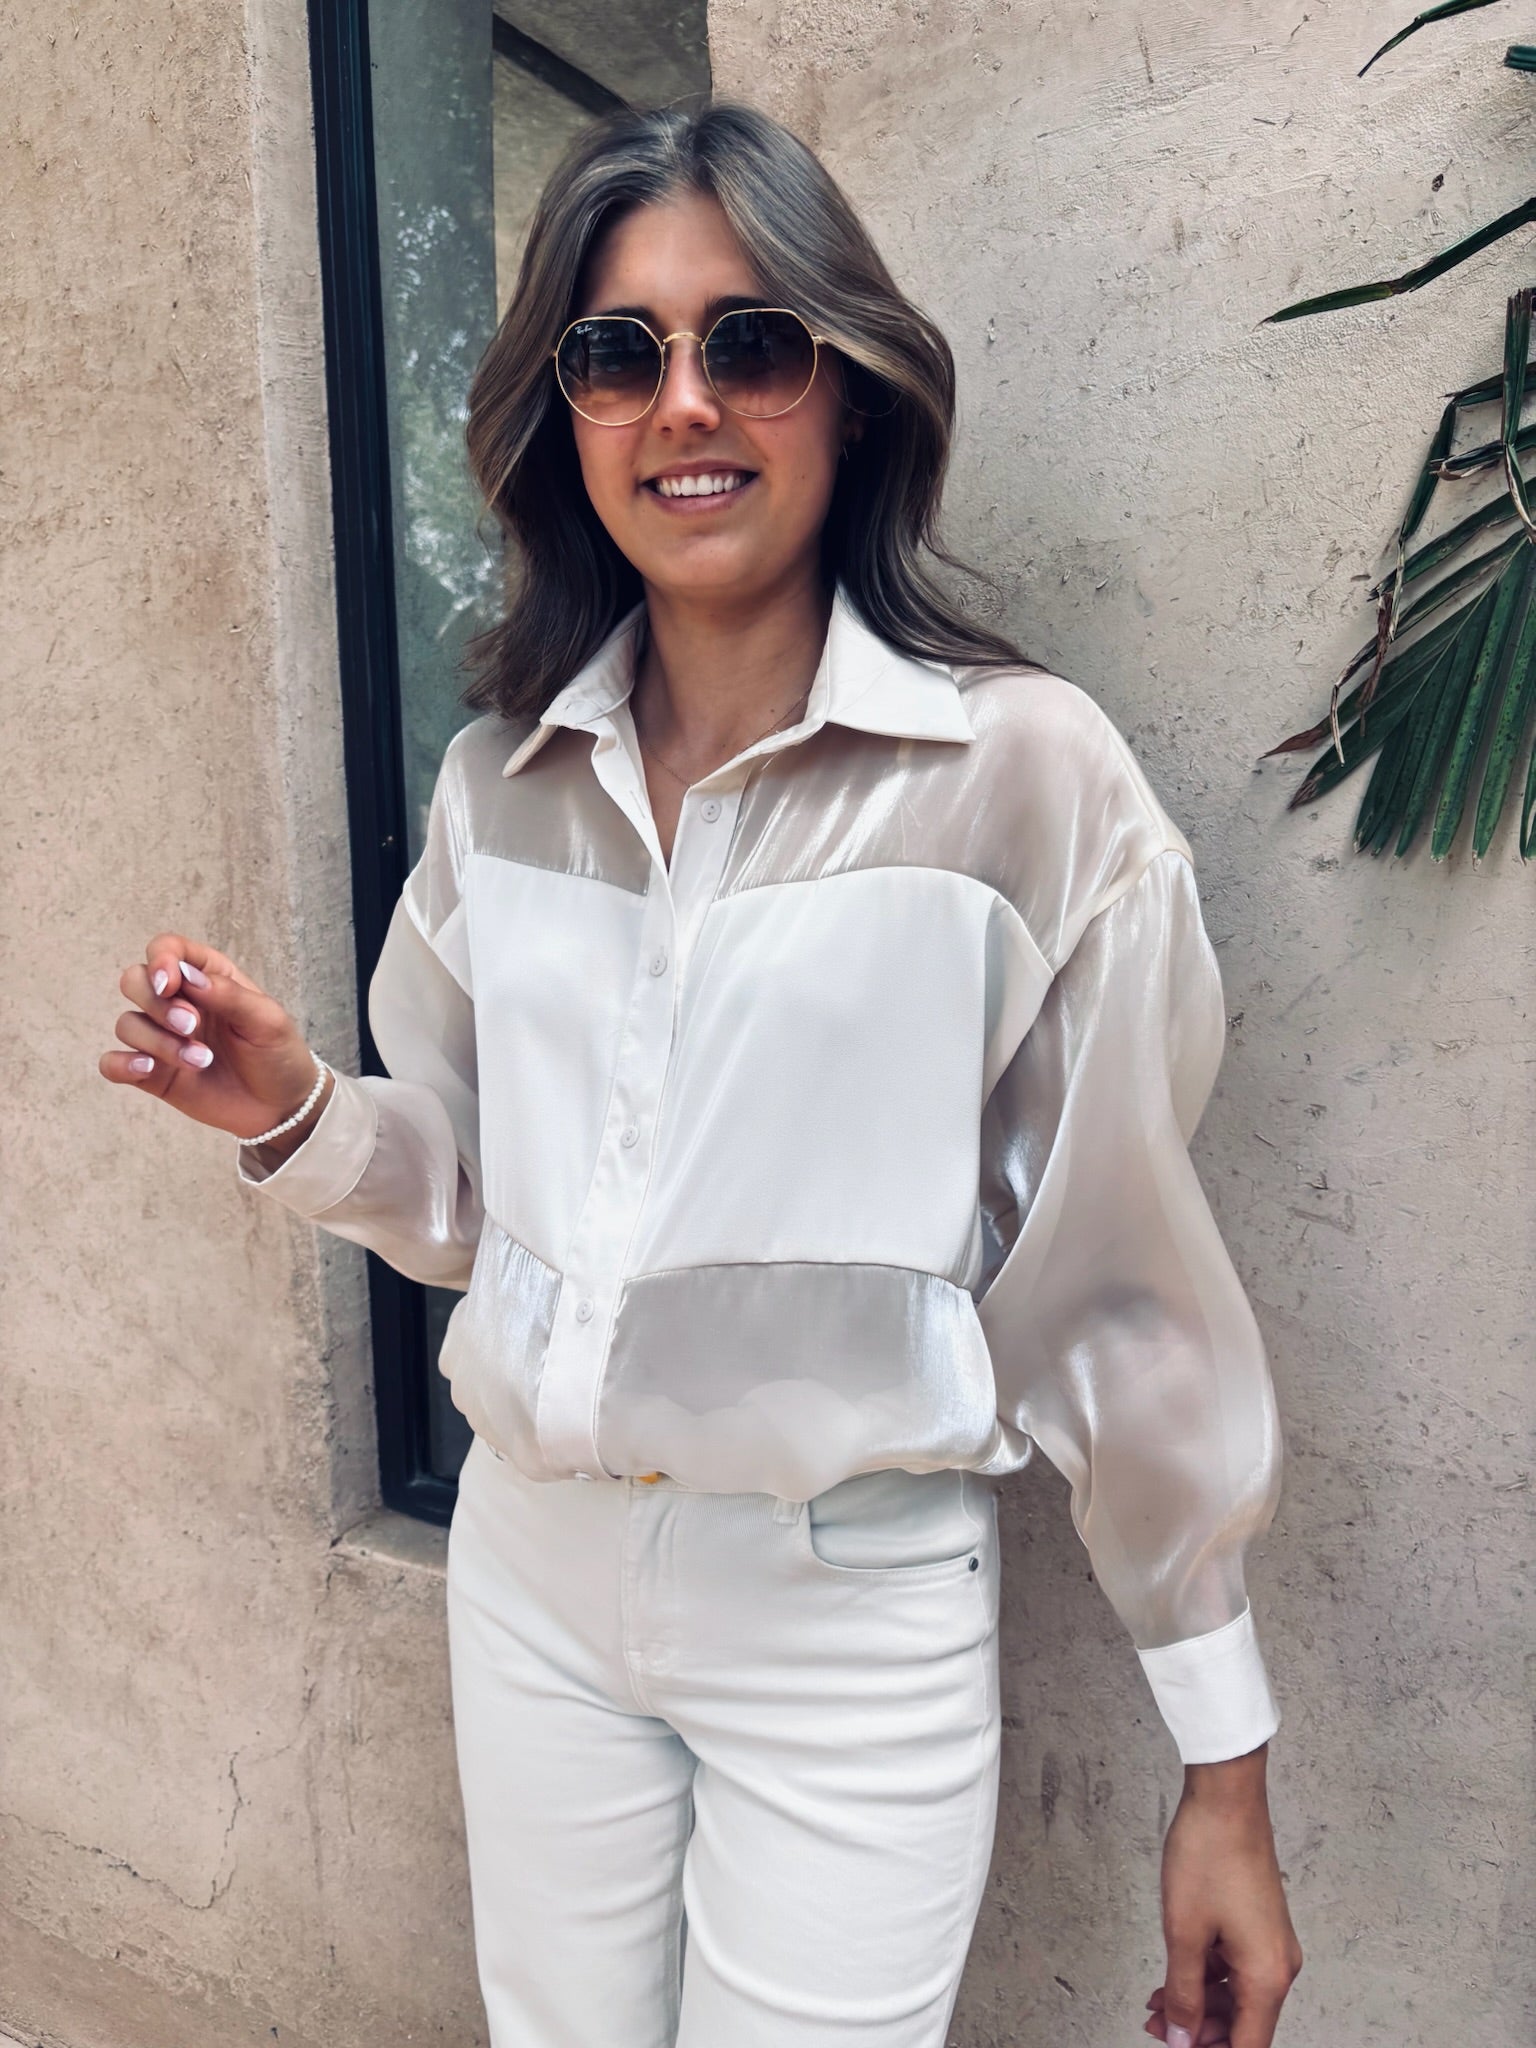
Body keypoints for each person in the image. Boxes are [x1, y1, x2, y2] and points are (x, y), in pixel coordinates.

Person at [102, 98, 1302, 2048]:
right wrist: (301, 1113)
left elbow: (1121, 1297)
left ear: (852, 390)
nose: (685, 403)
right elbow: (491, 1203)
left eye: (750, 340)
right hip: (533, 1570)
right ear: (563, 417)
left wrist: (1221, 1767)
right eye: (618, 352)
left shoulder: (1024, 782)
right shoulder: (502, 785)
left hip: (847, 1612)